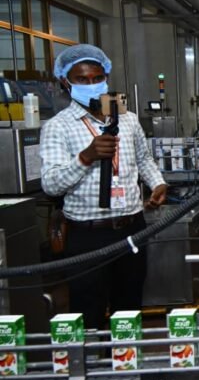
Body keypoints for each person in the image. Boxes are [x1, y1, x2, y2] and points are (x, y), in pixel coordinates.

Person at [40, 44, 167, 330]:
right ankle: (90, 359)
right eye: (82, 79)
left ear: (106, 77)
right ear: (66, 82)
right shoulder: (58, 127)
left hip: (131, 228)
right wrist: (86, 157)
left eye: (97, 78)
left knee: (129, 309)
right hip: (88, 234)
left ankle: (126, 358)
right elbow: (51, 185)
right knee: (88, 311)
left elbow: (143, 158)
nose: (91, 84)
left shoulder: (126, 118)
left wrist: (157, 183)